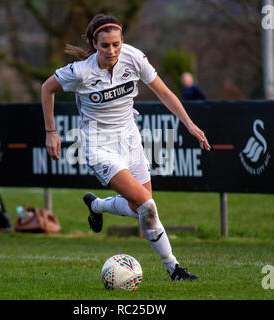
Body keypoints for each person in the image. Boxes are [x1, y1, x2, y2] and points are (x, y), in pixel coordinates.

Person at [41, 14, 211, 281]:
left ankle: (97, 206)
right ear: (94, 44)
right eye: (105, 45)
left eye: (116, 44)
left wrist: (189, 124)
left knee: (137, 209)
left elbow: (164, 92)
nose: (112, 51)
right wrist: (51, 132)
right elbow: (46, 89)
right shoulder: (81, 72)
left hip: (130, 140)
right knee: (147, 206)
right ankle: (174, 268)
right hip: (99, 145)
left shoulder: (134, 58)